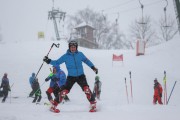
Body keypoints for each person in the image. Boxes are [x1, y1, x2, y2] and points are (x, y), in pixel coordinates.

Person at [43, 40, 98, 112]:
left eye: (74, 47)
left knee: (86, 89)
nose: (73, 48)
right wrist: (48, 61)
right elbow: (57, 62)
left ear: (76, 47)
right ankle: (54, 106)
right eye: (71, 47)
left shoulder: (80, 54)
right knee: (63, 92)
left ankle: (93, 104)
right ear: (69, 47)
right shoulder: (65, 56)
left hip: (81, 76)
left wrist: (93, 67)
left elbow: (87, 61)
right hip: (71, 77)